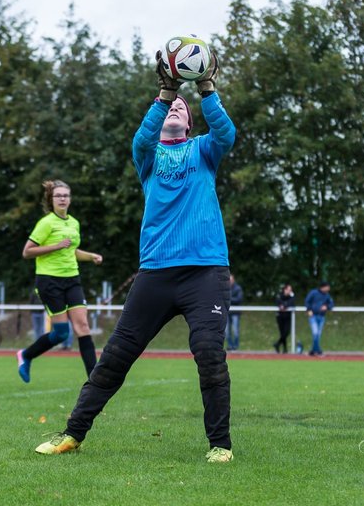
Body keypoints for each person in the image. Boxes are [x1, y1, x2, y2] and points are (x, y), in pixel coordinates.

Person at [36, 44, 236, 463]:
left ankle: (220, 445)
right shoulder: (148, 157)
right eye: (171, 108)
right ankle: (72, 433)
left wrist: (206, 88)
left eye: (183, 108)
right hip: (156, 274)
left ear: (191, 119)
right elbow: (141, 137)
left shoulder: (203, 151)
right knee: (115, 358)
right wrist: (165, 94)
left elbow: (226, 134)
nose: (176, 110)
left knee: (209, 354)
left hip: (205, 272)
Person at [15, 180, 104, 383]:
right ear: (51, 199)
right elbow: (27, 252)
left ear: (70, 199)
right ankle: (26, 355)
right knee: (62, 333)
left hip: (72, 278)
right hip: (49, 281)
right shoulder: (46, 223)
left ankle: (95, 379)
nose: (63, 198)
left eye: (66, 195)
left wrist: (91, 256)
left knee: (83, 326)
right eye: (58, 196)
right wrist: (55, 246)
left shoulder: (74, 223)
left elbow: (71, 251)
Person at [304, 281, 334, 356]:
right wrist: (309, 310)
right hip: (313, 316)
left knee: (318, 335)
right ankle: (318, 351)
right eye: (327, 287)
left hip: (321, 316)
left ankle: (313, 351)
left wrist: (326, 307)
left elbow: (331, 303)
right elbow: (307, 301)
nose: (328, 288)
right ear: (323, 287)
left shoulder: (327, 295)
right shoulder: (313, 293)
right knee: (315, 333)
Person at [273, 284, 295, 353]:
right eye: (289, 289)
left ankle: (277, 344)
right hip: (280, 316)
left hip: (288, 316)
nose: (290, 291)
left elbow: (291, 303)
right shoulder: (279, 295)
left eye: (291, 290)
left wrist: (284, 306)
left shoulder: (292, 296)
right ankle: (285, 349)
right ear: (285, 290)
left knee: (286, 332)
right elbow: (277, 302)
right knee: (282, 333)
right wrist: (281, 305)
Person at [225, 273, 244, 350]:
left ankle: (235, 346)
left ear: (233, 280)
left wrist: (229, 299)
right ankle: (230, 345)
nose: (229, 281)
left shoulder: (238, 288)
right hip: (227, 312)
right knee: (226, 331)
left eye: (231, 280)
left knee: (235, 330)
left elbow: (239, 299)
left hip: (235, 313)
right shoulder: (225, 288)